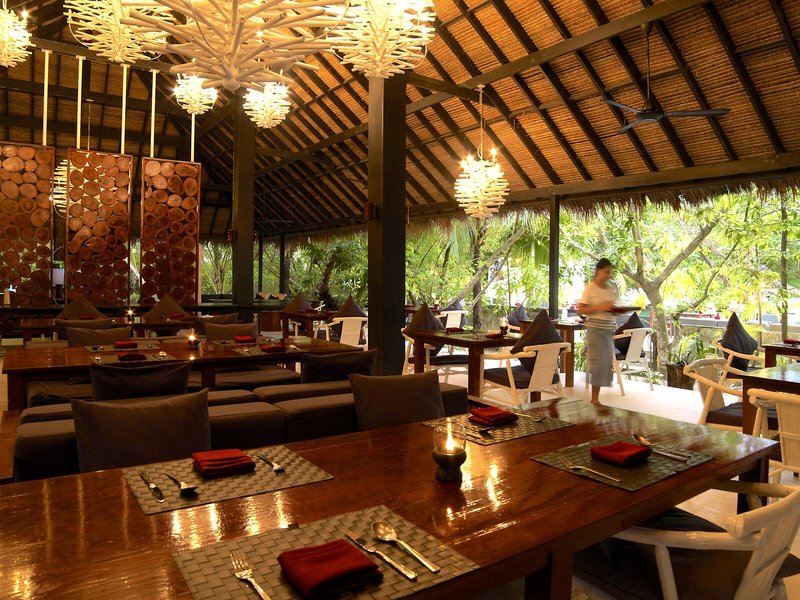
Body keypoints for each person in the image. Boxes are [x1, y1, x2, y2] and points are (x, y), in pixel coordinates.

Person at [579, 258, 617, 406]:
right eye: (606, 272)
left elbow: (611, 308)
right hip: (595, 329)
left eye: (610, 272)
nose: (608, 275)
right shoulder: (590, 288)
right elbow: (581, 310)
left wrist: (615, 309)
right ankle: (594, 399)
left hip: (608, 328)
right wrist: (601, 307)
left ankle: (596, 398)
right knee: (597, 363)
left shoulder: (609, 289)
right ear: (598, 271)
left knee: (605, 363)